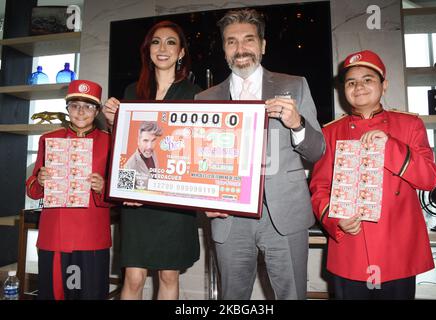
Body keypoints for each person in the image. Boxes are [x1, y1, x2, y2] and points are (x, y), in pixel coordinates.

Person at [195, 8, 325, 299]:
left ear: (263, 45)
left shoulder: (294, 85)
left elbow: (318, 151)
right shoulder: (204, 99)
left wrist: (298, 124)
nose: (240, 49)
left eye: (248, 40)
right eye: (231, 41)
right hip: (229, 217)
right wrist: (205, 200)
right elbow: (198, 162)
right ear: (224, 49)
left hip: (284, 215)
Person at [309, 50, 436, 299]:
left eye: (367, 79)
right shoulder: (330, 133)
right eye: (351, 82)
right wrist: (335, 220)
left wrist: (390, 146)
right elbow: (320, 188)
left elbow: (430, 179)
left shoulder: (410, 125)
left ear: (384, 85)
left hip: (398, 251)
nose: (359, 86)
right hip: (349, 248)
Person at [102, 20, 202, 300]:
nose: (163, 48)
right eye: (156, 42)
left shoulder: (196, 95)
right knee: (133, 278)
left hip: (174, 199)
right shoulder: (132, 92)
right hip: (137, 201)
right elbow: (124, 147)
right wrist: (113, 124)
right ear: (148, 50)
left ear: (181, 52)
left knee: (168, 275)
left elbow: (197, 150)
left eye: (171, 42)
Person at [26, 80, 112, 300]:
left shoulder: (109, 142)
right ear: (68, 109)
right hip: (56, 234)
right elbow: (33, 189)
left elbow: (120, 192)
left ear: (97, 111)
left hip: (92, 235)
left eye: (88, 106)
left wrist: (104, 187)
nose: (81, 112)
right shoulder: (49, 139)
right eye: (75, 105)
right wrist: (40, 180)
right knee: (54, 294)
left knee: (91, 295)